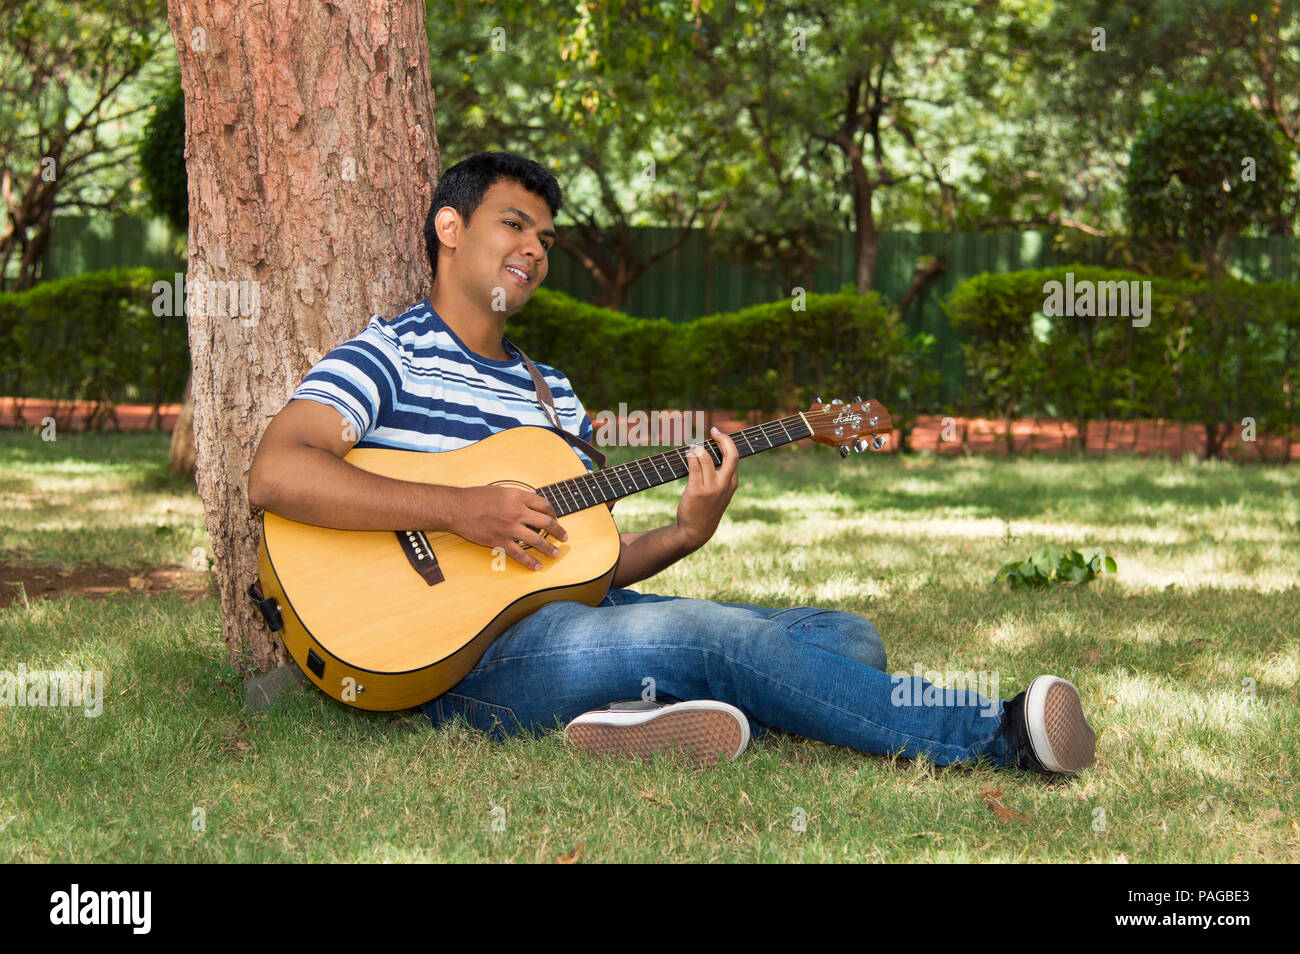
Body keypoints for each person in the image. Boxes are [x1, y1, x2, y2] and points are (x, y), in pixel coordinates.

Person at [247, 151, 1096, 776]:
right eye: (515, 224)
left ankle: (636, 720)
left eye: (545, 236)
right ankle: (998, 733)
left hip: (572, 625)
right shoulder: (389, 354)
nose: (535, 249)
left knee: (843, 636)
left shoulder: (553, 395)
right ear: (449, 227)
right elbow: (279, 473)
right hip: (462, 664)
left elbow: (587, 564)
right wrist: (459, 510)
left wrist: (688, 531)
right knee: (713, 638)